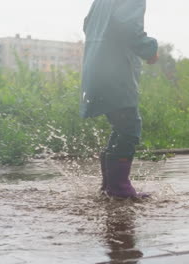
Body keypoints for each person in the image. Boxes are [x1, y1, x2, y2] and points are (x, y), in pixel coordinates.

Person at [80, 0, 158, 199]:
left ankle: (109, 187)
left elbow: (87, 23)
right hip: (115, 70)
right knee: (129, 127)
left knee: (121, 126)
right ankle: (119, 189)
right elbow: (128, 25)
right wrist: (149, 49)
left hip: (97, 65)